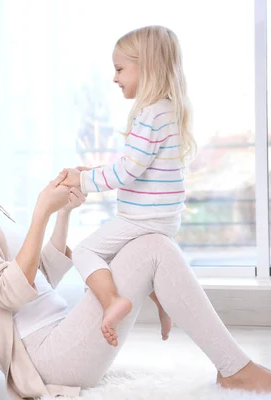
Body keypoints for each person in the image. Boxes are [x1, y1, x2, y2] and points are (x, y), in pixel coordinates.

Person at [0, 108, 271, 399]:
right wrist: (40, 210)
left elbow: (43, 278)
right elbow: (7, 293)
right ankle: (237, 370)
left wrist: (63, 214)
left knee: (150, 245)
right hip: (45, 357)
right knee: (153, 247)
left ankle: (233, 366)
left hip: (64, 332)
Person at [60, 25, 194, 346]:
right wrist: (94, 171)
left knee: (85, 251)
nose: (114, 78)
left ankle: (111, 303)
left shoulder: (148, 115)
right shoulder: (170, 111)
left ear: (147, 68)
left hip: (141, 218)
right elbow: (141, 168)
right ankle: (162, 301)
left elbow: (126, 173)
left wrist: (83, 180)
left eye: (120, 69)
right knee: (132, 265)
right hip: (165, 219)